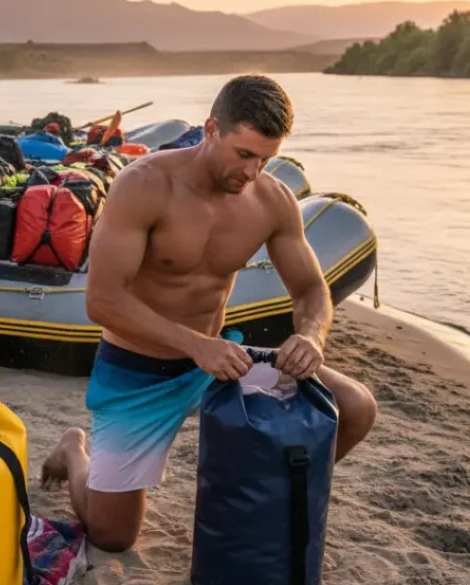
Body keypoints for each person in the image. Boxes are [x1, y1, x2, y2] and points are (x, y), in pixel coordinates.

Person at [41, 74, 378, 553]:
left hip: (222, 364)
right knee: (112, 537)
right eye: (244, 154)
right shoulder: (145, 185)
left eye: (265, 158)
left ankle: (269, 501)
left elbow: (310, 290)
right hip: (140, 371)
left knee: (356, 405)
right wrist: (196, 345)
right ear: (211, 129)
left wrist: (310, 336)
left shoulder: (271, 199)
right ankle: (76, 451)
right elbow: (104, 301)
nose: (253, 171)